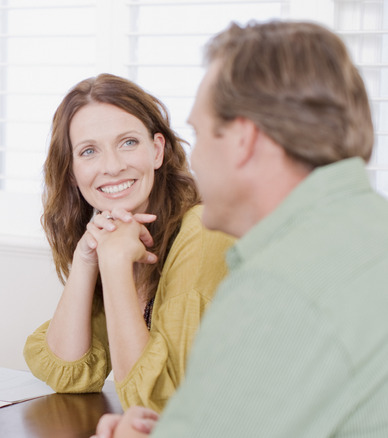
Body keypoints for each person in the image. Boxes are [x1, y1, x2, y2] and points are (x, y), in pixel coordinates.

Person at [94, 20, 388, 438]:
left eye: (198, 133)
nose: (193, 163)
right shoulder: (370, 230)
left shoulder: (277, 285)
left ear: (243, 139)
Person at [23, 74, 235, 411]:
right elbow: (67, 373)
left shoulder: (203, 230)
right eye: (89, 151)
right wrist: (86, 260)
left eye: (128, 142)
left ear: (157, 150)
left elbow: (159, 401)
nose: (112, 166)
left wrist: (115, 264)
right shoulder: (116, 236)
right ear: (72, 172)